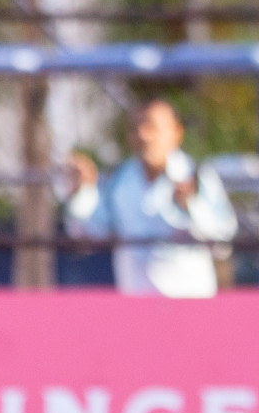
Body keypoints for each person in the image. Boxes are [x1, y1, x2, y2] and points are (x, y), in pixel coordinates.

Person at [65, 98, 238, 298]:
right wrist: (82, 191)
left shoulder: (198, 176)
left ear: (176, 132)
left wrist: (192, 206)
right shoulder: (119, 181)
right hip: (136, 311)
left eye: (152, 127)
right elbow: (89, 234)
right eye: (136, 127)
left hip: (190, 308)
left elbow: (224, 243)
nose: (143, 135)